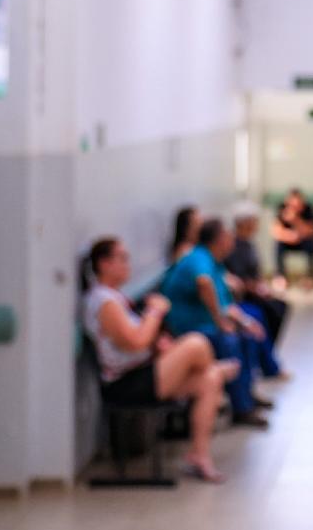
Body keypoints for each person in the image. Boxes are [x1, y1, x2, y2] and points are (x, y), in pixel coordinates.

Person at [80, 236, 236, 482]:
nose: (128, 265)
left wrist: (157, 344)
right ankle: (218, 368)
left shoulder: (115, 297)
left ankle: (199, 455)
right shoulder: (103, 301)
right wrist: (155, 311)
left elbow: (138, 341)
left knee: (210, 379)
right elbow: (135, 341)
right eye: (122, 259)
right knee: (196, 343)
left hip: (144, 370)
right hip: (127, 383)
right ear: (104, 264)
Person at [162, 218, 272, 428]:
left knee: (248, 335)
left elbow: (226, 303)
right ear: (218, 240)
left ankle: (246, 395)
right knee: (230, 341)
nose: (232, 240)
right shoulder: (199, 257)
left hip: (206, 325)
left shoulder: (216, 263)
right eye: (228, 236)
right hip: (188, 328)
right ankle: (241, 408)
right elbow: (204, 283)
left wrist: (246, 322)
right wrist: (220, 321)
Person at [225, 201, 291, 370]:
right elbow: (239, 278)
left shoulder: (248, 244)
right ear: (244, 223)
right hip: (243, 295)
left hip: (254, 291)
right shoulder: (234, 246)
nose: (257, 225)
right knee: (270, 312)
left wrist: (264, 286)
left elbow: (256, 273)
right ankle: (267, 361)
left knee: (281, 307)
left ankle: (268, 354)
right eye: (254, 221)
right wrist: (258, 289)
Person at [271, 188, 313, 290]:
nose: (295, 205)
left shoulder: (309, 210)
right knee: (278, 245)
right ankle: (280, 277)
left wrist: (295, 220)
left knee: (312, 245)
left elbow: (311, 231)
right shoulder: (282, 208)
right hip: (288, 241)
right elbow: (276, 231)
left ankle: (309, 278)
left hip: (304, 241)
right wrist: (290, 236)